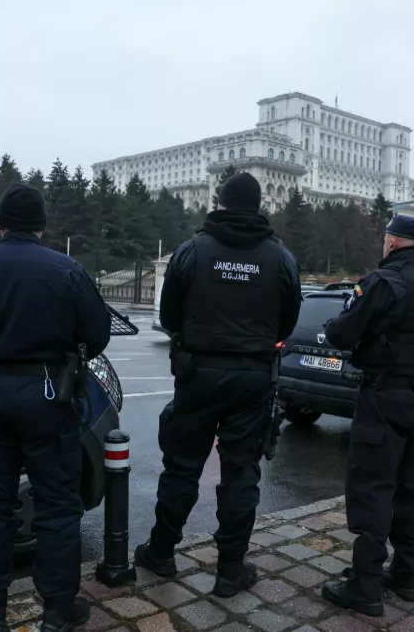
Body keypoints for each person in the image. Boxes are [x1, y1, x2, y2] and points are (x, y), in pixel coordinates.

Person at [0, 183, 111, 632]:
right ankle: (58, 609)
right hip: (48, 394)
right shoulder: (66, 270)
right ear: (43, 227)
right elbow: (98, 333)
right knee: (57, 506)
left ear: (1, 224)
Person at [135, 172, 302, 597]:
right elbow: (289, 320)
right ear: (258, 205)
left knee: (182, 465)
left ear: (221, 203)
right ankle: (230, 569)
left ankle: (161, 551)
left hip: (198, 374)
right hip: (253, 376)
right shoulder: (280, 258)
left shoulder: (192, 250)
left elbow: (169, 315)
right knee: (241, 471)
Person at [320, 215, 414, 617]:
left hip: (384, 398)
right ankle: (407, 576)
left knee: (373, 489)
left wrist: (335, 324)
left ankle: (365, 586)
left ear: (395, 243)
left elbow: (342, 333)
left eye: (386, 238)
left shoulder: (384, 282)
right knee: (412, 490)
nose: (384, 245)